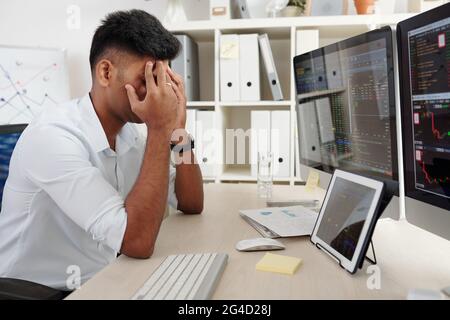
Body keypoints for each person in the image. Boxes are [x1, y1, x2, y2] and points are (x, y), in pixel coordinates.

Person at [0, 10, 203, 290]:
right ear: (106, 72)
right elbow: (137, 242)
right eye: (147, 79)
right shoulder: (54, 138)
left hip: (104, 278)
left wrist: (178, 130)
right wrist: (159, 128)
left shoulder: (130, 133)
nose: (159, 93)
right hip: (41, 291)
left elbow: (190, 203)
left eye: (163, 80)